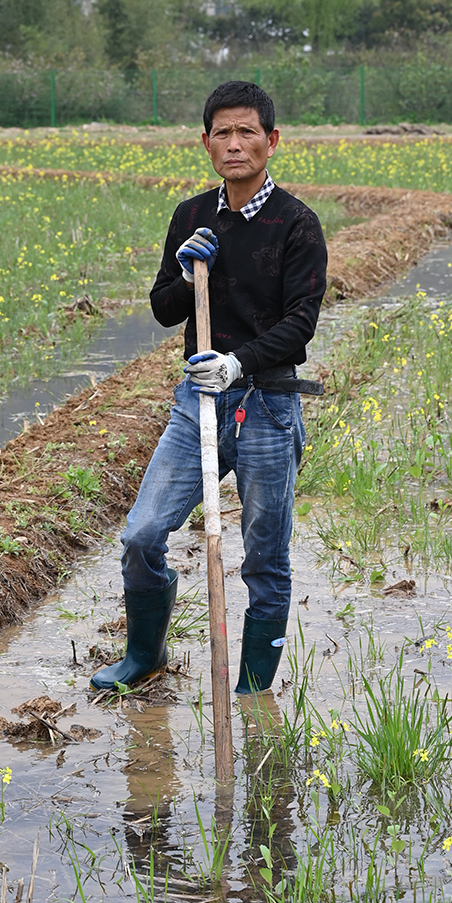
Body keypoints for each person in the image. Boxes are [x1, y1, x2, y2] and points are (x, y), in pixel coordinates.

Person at [92, 80, 327, 695]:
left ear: (271, 142)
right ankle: (144, 656)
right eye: (222, 132)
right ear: (205, 143)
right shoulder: (192, 216)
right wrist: (187, 268)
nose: (234, 143)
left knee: (265, 559)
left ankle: (251, 691)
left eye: (247, 131)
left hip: (268, 406)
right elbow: (166, 309)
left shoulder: (296, 224)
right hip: (196, 405)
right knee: (142, 534)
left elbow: (300, 322)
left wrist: (237, 363)